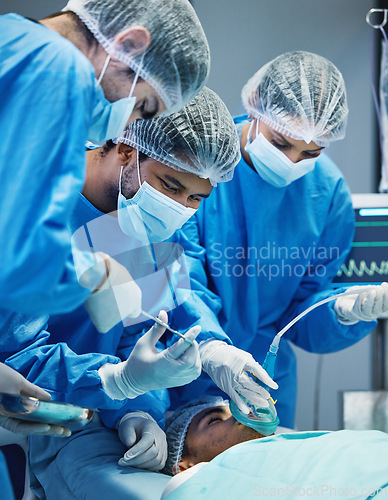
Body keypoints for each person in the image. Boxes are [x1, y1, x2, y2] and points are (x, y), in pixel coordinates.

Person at [2, 88, 243, 499]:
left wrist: (138, 404)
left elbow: (144, 328)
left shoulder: (145, 221)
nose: (181, 207)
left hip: (79, 414)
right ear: (128, 149)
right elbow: (15, 354)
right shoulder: (31, 206)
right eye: (170, 186)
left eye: (197, 198)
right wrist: (115, 381)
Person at [166, 51, 388, 427]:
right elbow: (179, 278)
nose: (293, 161)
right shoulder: (200, 165)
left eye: (311, 152)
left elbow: (301, 311)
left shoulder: (327, 192)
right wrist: (213, 347)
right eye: (282, 143)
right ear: (256, 111)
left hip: (267, 380)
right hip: (181, 365)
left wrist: (340, 312)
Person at [0, 0, 210, 325]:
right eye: (143, 106)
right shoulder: (58, 65)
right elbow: (14, 254)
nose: (128, 125)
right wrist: (89, 275)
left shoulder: (12, 35)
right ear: (128, 44)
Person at [161, 397, 388, 499]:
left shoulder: (308, 443)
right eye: (215, 420)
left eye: (237, 408)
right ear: (182, 465)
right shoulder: (194, 485)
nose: (243, 415)